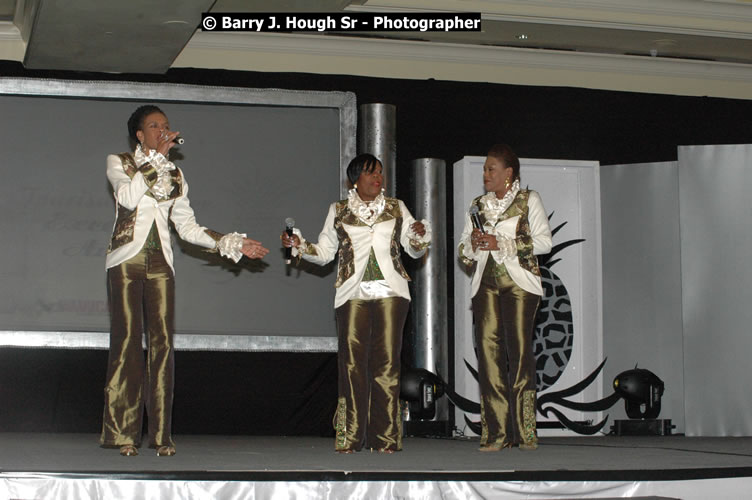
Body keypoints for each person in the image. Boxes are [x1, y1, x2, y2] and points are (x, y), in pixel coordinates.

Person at [101, 105, 269, 457]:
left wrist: (234, 241)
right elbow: (128, 198)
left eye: (165, 125)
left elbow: (189, 229)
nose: (163, 130)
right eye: (154, 126)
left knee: (163, 347)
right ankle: (123, 434)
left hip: (161, 262)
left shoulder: (176, 176)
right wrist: (157, 160)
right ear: (140, 134)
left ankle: (161, 435)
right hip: (126, 261)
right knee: (128, 344)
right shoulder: (120, 162)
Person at [281, 153, 431, 453]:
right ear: (355, 179)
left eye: (380, 173)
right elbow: (324, 253)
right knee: (352, 366)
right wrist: (300, 245)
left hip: (392, 292)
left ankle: (385, 438)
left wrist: (418, 237)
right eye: (371, 173)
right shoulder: (338, 210)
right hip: (352, 294)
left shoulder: (396, 207)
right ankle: (350, 437)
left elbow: (413, 249)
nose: (378, 178)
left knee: (387, 365)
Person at [458, 143, 552, 451]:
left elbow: (544, 243)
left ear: (508, 173)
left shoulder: (529, 200)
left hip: (520, 284)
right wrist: (472, 243)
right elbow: (464, 251)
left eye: (491, 169)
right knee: (489, 357)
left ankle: (524, 432)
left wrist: (503, 243)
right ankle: (495, 433)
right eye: (485, 169)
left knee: (520, 354)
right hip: (485, 283)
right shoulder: (477, 205)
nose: (485, 174)